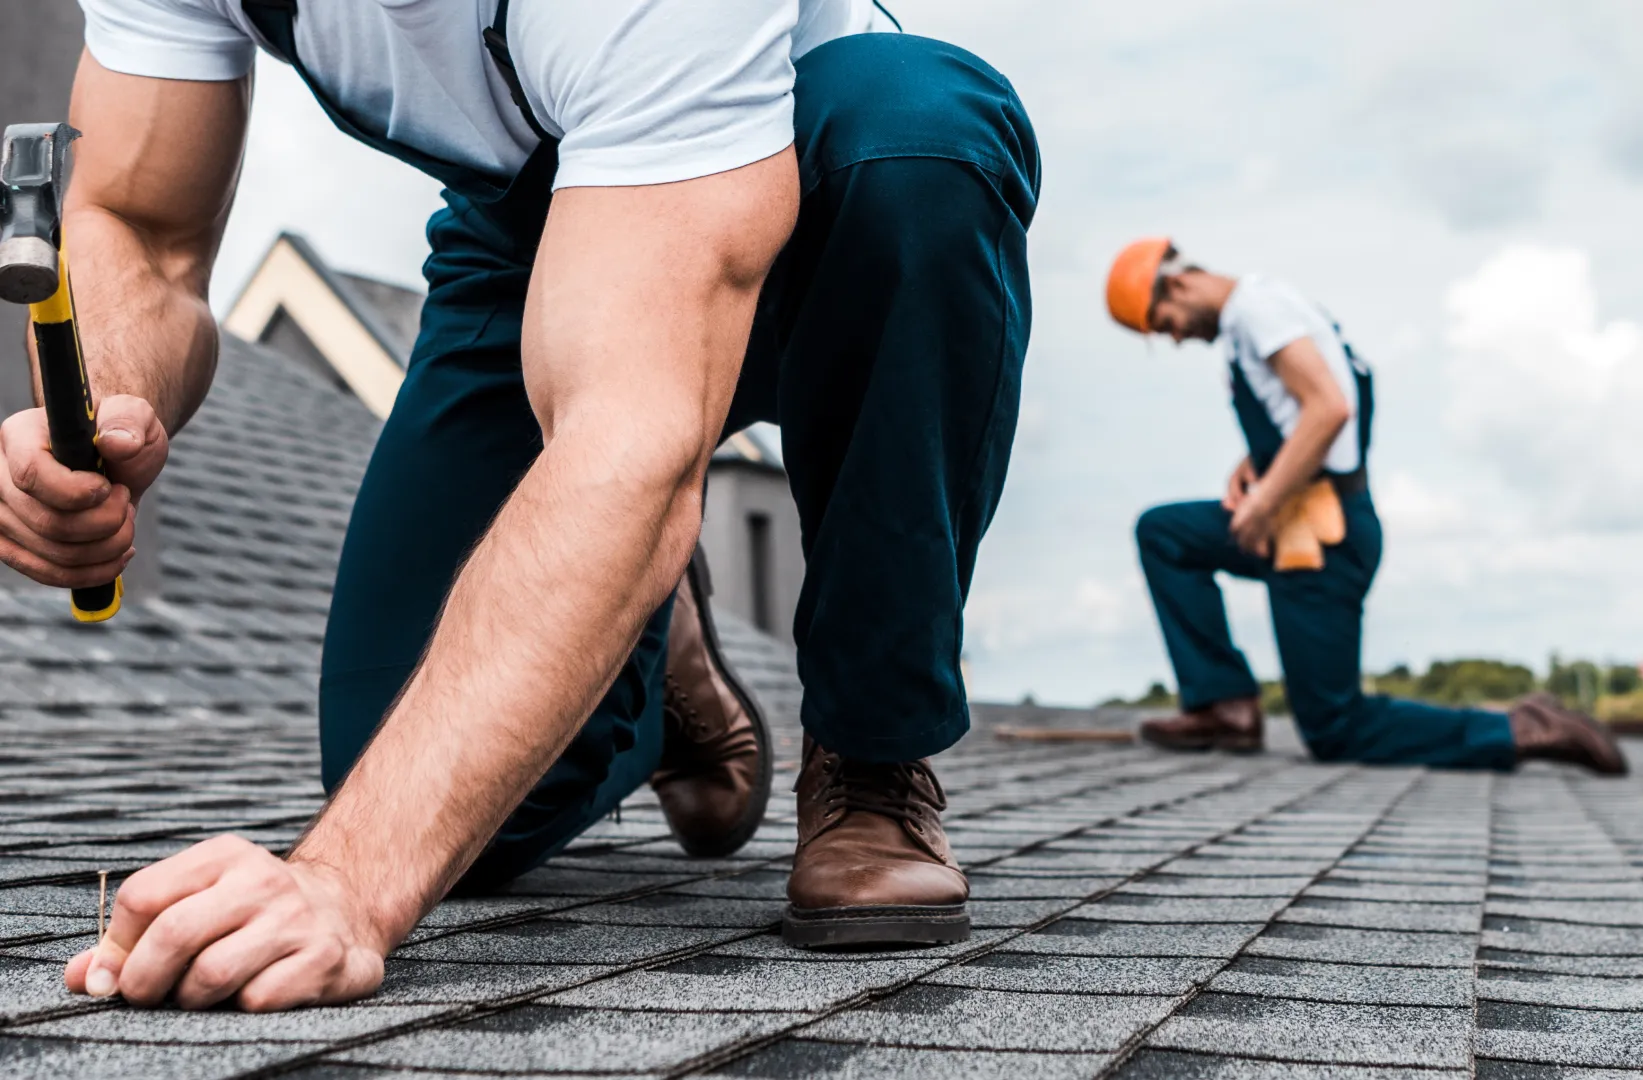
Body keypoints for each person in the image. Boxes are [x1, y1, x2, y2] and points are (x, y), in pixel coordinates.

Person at [0, 0, 1038, 1010]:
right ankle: (655, 633)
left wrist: (348, 884)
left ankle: (872, 756)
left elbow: (630, 440)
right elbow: (141, 224)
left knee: (919, 143)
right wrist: (107, 409)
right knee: (438, 793)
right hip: (532, 222)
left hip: (826, 172)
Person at [1104, 238, 1624, 775]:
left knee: (1335, 728)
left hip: (1323, 538)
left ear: (1180, 283)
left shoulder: (1259, 310)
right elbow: (1308, 406)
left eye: (1164, 322)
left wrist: (1262, 506)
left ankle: (1521, 729)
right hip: (1293, 521)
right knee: (1165, 533)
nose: (1176, 337)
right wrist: (1256, 462)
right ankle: (1223, 706)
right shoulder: (1253, 319)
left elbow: (1330, 409)